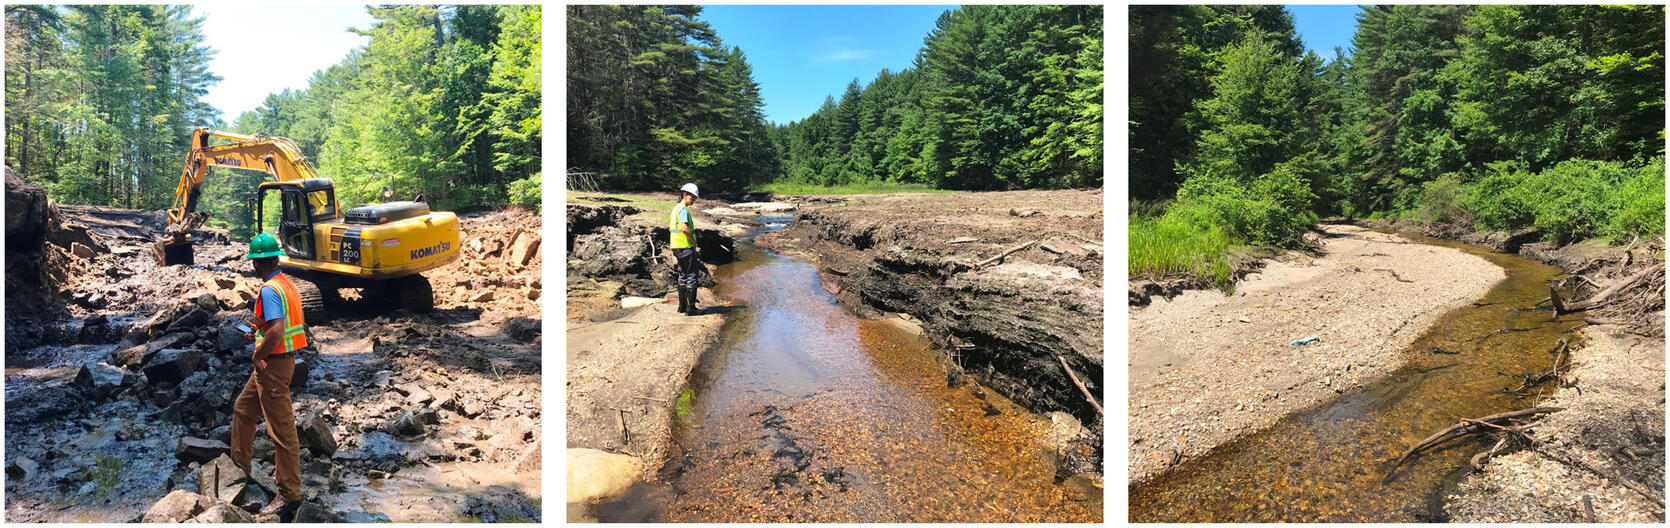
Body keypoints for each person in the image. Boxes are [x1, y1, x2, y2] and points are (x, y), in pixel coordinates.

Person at [230, 233, 306, 515]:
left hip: (271, 364)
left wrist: (257, 354)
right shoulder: (286, 284)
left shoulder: (269, 290)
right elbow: (274, 325)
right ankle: (239, 471)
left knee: (281, 430)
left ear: (257, 263)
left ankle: (289, 494)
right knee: (243, 410)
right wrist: (258, 328)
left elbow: (277, 331)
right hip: (274, 362)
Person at [671, 183, 702, 316]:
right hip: (685, 247)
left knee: (682, 275)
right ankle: (691, 309)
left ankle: (682, 307)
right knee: (691, 276)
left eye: (695, 197)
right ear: (685, 195)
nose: (694, 200)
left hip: (676, 246)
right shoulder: (683, 209)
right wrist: (694, 243)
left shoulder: (676, 208)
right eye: (692, 197)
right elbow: (684, 228)